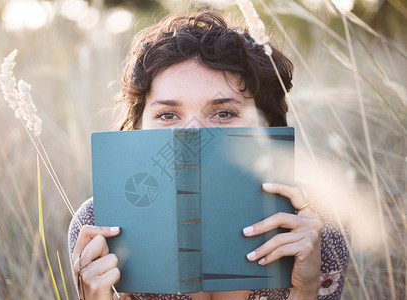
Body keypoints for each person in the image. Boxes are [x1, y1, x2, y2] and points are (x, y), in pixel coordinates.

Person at [68, 11, 349, 300]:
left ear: (265, 125)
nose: (194, 135)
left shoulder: (319, 222)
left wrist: (304, 290)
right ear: (139, 126)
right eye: (167, 114)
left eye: (224, 113)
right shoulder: (96, 225)